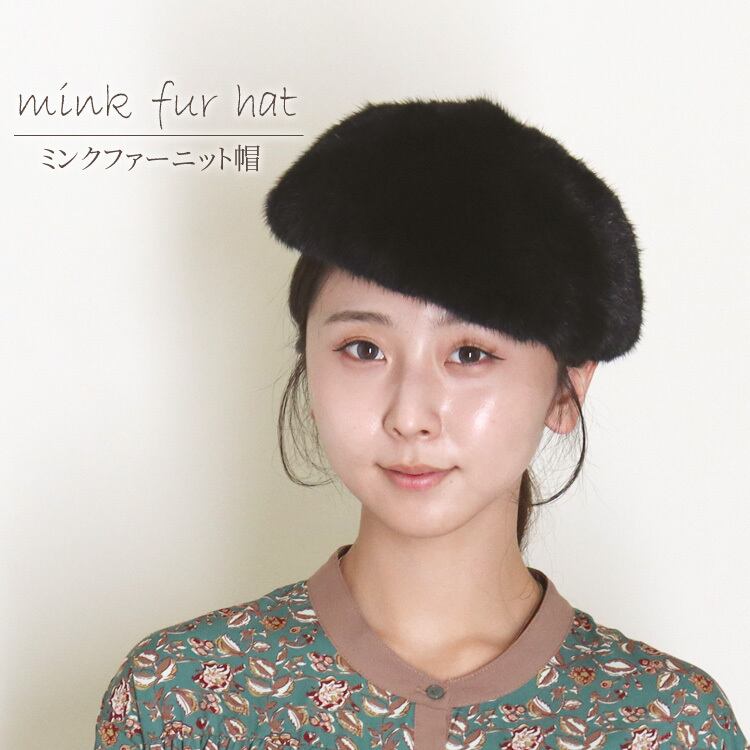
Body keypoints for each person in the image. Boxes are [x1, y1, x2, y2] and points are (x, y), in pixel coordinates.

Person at [93, 97, 747, 750]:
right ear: (308, 366)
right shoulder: (178, 695)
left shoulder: (672, 724)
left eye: (470, 354)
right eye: (364, 349)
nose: (409, 416)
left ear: (566, 389)